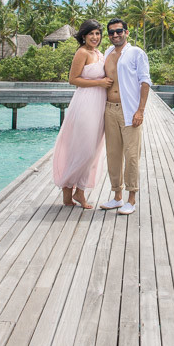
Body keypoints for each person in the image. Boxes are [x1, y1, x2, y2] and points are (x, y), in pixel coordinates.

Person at [52, 19, 113, 208]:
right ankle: (66, 188)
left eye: (97, 34)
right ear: (84, 36)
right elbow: (73, 79)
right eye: (91, 34)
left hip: (99, 104)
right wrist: (99, 83)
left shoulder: (99, 53)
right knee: (83, 148)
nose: (95, 37)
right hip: (85, 103)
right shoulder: (82, 52)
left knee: (93, 149)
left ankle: (80, 191)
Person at [99, 18, 151, 215]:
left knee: (131, 156)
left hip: (129, 111)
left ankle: (131, 198)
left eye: (119, 31)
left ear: (126, 32)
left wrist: (140, 111)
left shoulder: (136, 53)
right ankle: (117, 197)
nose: (115, 35)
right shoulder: (107, 53)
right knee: (113, 155)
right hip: (109, 109)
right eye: (111, 32)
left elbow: (145, 82)